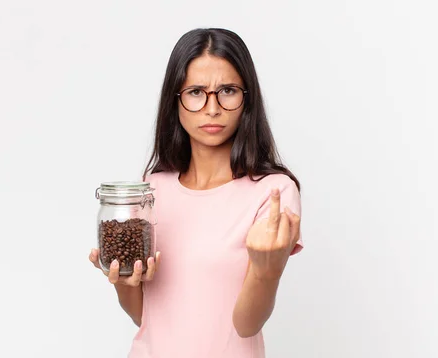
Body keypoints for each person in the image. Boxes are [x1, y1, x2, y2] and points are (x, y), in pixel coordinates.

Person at [89, 28, 303, 358]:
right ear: (175, 100)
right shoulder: (152, 187)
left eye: (228, 91)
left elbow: (246, 326)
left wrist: (266, 269)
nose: (212, 108)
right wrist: (121, 278)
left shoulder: (274, 193)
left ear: (247, 98)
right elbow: (144, 317)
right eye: (195, 92)